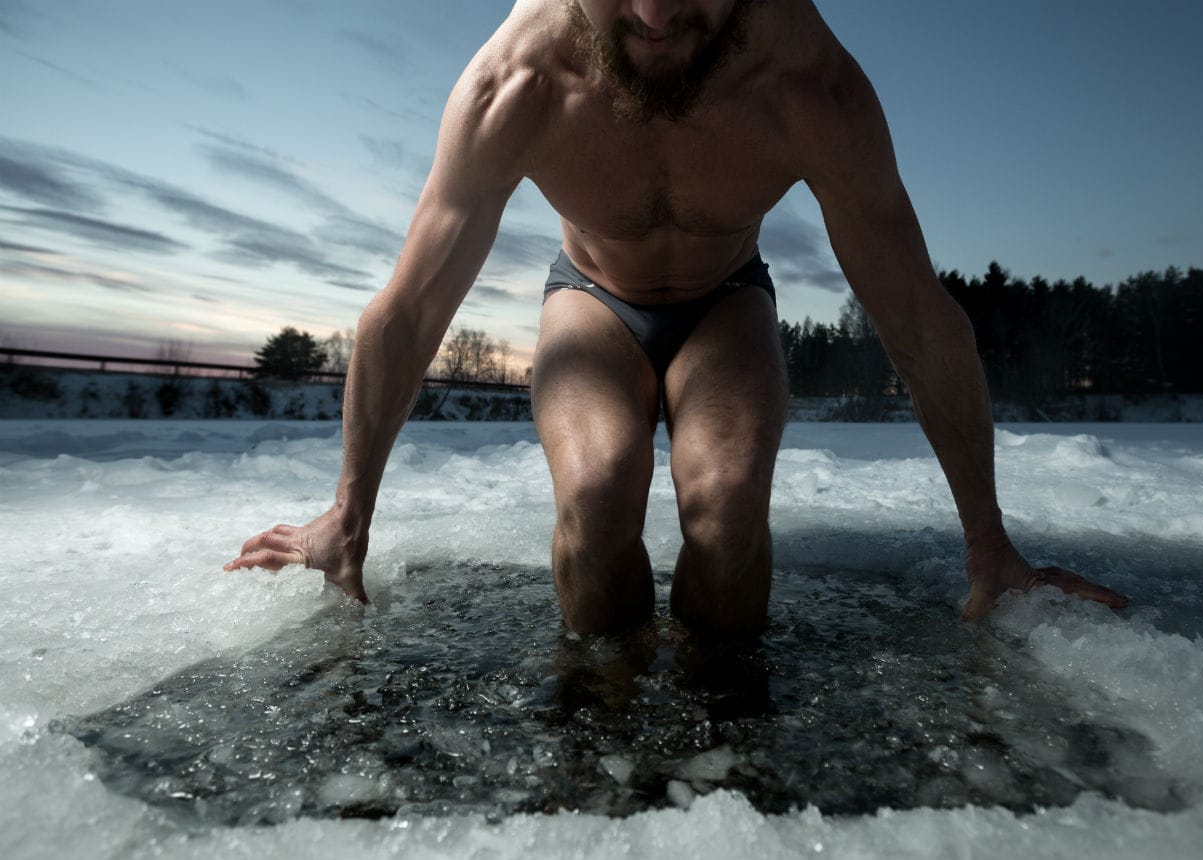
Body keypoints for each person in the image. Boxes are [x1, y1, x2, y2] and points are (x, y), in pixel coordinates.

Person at [225, 0, 1128, 636]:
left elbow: (921, 322)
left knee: (728, 508)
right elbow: (410, 309)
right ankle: (601, 710)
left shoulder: (807, 86)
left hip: (726, 302)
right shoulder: (520, 81)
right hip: (591, 301)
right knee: (595, 491)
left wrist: (990, 547)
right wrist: (348, 513)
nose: (655, 13)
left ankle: (726, 722)